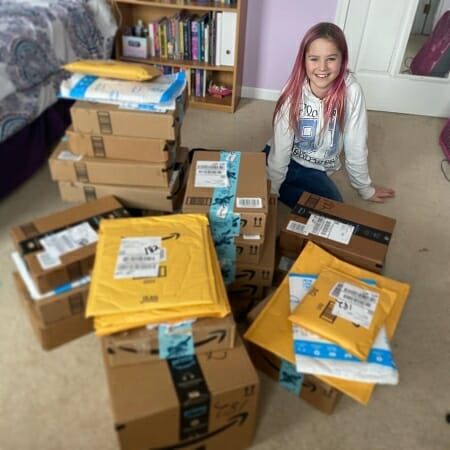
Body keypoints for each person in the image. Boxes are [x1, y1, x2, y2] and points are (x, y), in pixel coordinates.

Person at [264, 22, 395, 208]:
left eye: (331, 59)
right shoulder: (292, 91)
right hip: (281, 154)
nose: (322, 67)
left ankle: (268, 178)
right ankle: (268, 179)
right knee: (263, 178)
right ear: (303, 60)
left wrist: (365, 188)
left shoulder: (352, 92)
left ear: (343, 60)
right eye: (314, 59)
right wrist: (272, 190)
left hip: (315, 169)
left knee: (333, 208)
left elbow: (356, 144)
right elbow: (282, 143)